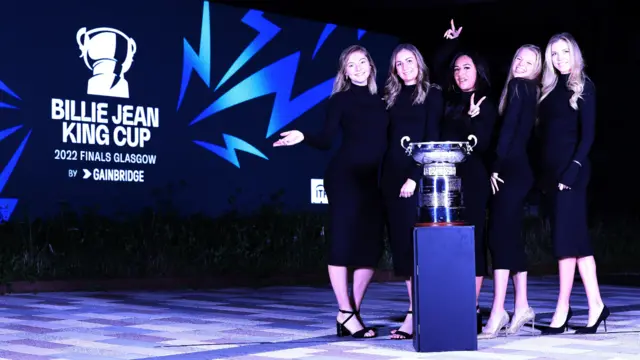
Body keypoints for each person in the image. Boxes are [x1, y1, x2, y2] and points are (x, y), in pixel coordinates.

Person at [273, 45, 388, 339]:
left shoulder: (385, 100)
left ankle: (350, 313)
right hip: (345, 177)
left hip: (373, 181)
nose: (359, 68)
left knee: (371, 248)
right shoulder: (340, 100)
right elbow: (326, 140)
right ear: (345, 72)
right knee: (342, 242)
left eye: (363, 62)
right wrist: (303, 136)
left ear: (371, 66)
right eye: (352, 65)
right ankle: (346, 311)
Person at [537, 32, 608, 335]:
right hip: (554, 174)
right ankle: (590, 306)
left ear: (574, 53)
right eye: (554, 54)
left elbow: (588, 136)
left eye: (564, 52)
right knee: (568, 242)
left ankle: (572, 308)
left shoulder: (583, 86)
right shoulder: (550, 88)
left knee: (572, 241)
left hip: (574, 172)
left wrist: (572, 171)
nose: (560, 58)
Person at [380, 43, 443, 340]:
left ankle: (418, 313)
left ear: (419, 62)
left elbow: (431, 138)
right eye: (398, 63)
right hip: (391, 179)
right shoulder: (391, 97)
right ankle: (413, 310)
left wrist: (415, 177)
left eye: (409, 61)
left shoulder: (432, 94)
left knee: (418, 248)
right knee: (403, 249)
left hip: (414, 179)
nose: (405, 67)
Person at [478, 44, 542, 339]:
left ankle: (498, 310)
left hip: (509, 172)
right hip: (519, 171)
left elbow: (507, 135)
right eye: (518, 58)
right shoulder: (528, 91)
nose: (520, 65)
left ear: (537, 69)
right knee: (508, 238)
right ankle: (523, 306)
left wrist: (495, 166)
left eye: (528, 62)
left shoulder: (519, 87)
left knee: (499, 239)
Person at [439, 20, 497, 334]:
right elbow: (433, 70)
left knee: (472, 244)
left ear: (479, 71)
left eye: (467, 67)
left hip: (473, 181)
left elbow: (483, 144)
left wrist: (474, 122)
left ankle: (470, 307)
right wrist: (449, 45)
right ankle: (451, 302)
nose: (461, 73)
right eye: (457, 68)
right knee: (448, 244)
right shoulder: (447, 102)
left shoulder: (486, 102)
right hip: (446, 182)